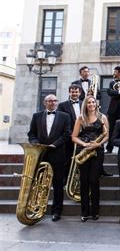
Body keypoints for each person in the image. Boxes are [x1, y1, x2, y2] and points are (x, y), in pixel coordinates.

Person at [27, 94, 71, 222]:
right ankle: (37, 208)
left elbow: (67, 134)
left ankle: (57, 211)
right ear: (44, 103)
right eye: (49, 101)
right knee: (39, 183)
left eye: (54, 101)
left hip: (57, 154)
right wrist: (36, 143)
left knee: (57, 184)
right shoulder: (37, 116)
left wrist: (55, 144)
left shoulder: (65, 116)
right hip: (41, 154)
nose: (52, 103)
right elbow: (31, 133)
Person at [71, 95, 109, 221]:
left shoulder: (102, 117)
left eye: (93, 102)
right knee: (84, 181)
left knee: (94, 180)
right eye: (89, 103)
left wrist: (98, 144)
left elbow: (106, 135)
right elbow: (74, 137)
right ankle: (84, 212)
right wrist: (84, 144)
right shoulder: (81, 118)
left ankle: (95, 212)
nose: (91, 104)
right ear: (85, 105)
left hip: (97, 151)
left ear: (96, 104)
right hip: (84, 150)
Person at [57, 84, 82, 183]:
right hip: (69, 136)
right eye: (72, 92)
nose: (74, 94)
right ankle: (65, 180)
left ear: (80, 93)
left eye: (76, 92)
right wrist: (71, 134)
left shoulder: (84, 103)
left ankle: (79, 179)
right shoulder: (62, 105)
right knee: (68, 158)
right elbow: (61, 121)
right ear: (69, 92)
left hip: (82, 136)